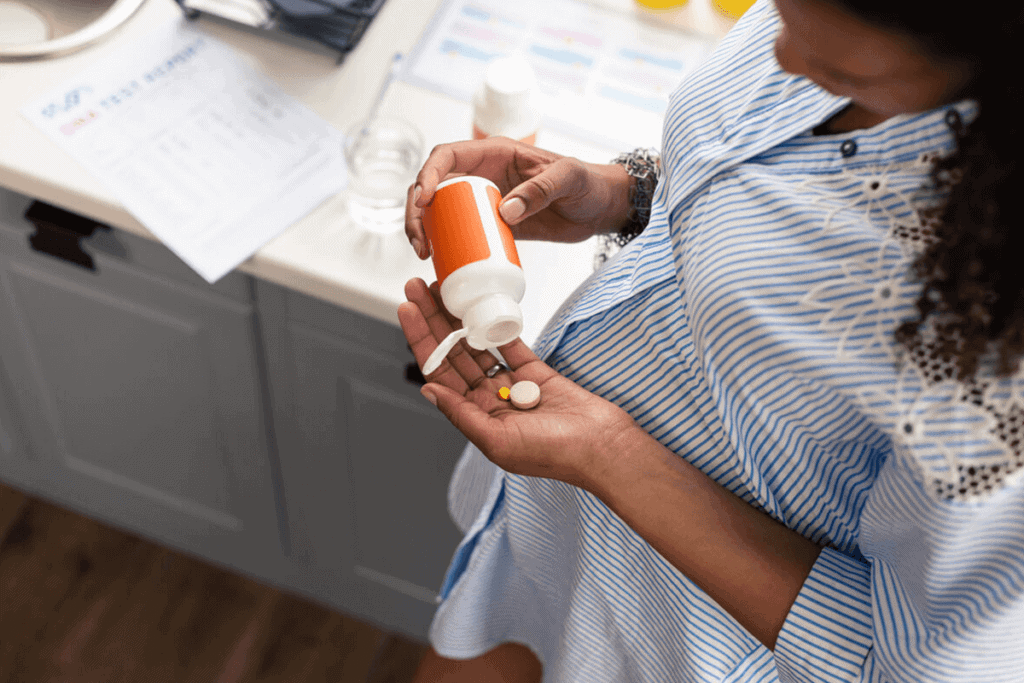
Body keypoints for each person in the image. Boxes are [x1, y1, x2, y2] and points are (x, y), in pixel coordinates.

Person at [398, 0, 1023, 680]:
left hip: (678, 633)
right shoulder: (828, 23)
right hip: (547, 521)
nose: (782, 56)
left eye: (837, 67)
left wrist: (609, 453)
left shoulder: (999, 356)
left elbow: (902, 659)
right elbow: (787, 187)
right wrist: (624, 194)